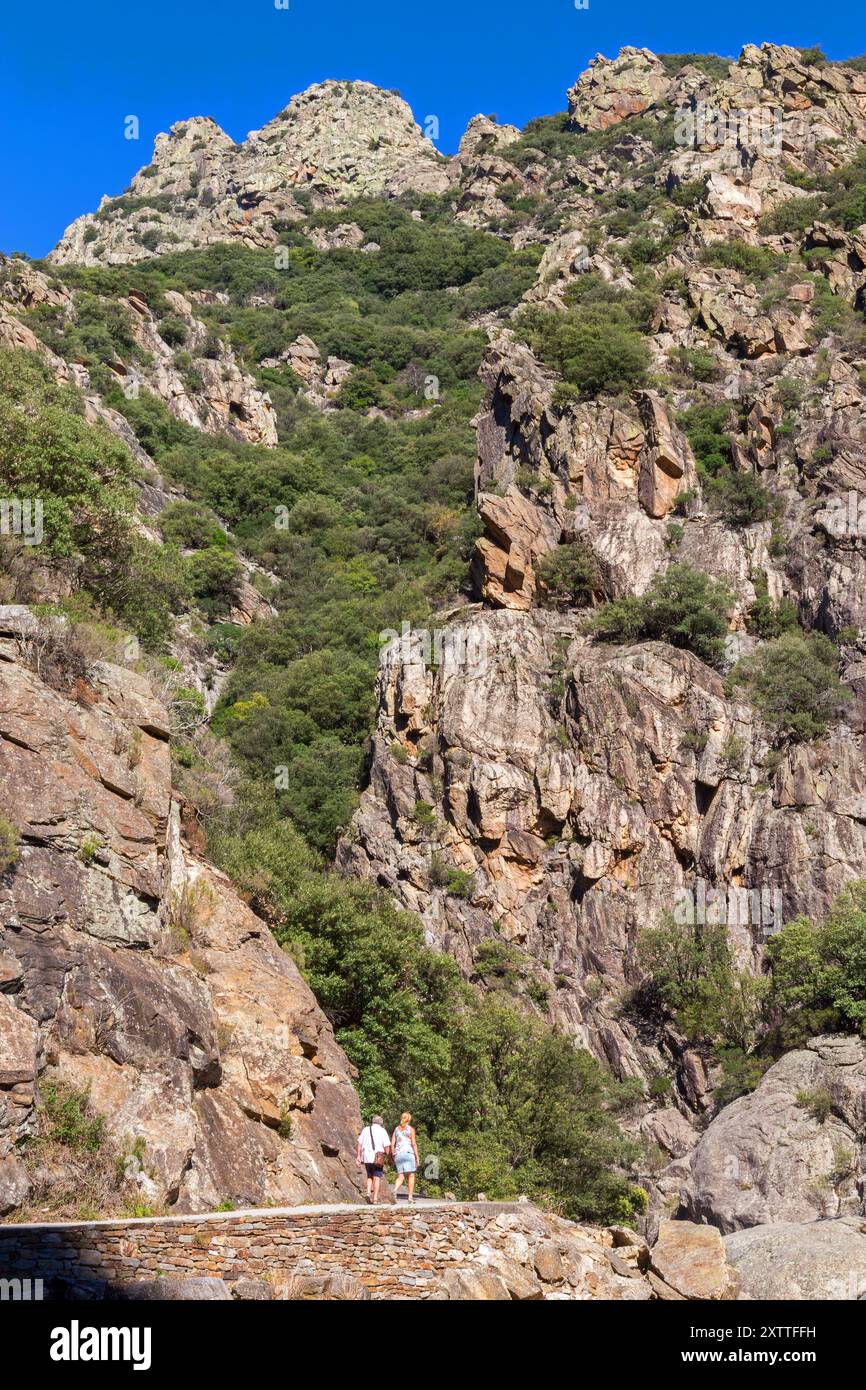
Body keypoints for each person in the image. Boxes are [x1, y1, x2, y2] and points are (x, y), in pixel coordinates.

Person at [356, 1114, 390, 1204]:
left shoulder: (366, 1129)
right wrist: (388, 1155)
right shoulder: (383, 1131)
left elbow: (359, 1143)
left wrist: (358, 1156)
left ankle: (368, 1192)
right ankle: (375, 1199)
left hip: (367, 1157)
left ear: (373, 1122)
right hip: (377, 1158)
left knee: (369, 1176)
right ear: (381, 1123)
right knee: (377, 1177)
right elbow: (387, 1146)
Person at [391, 1112, 420, 1203]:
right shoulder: (411, 1129)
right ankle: (410, 1197)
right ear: (409, 1119)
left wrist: (393, 1153)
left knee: (401, 1176)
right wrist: (417, 1157)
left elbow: (392, 1143)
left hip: (398, 1155)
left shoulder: (396, 1129)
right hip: (408, 1153)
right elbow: (414, 1144)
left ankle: (395, 1190)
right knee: (411, 1175)